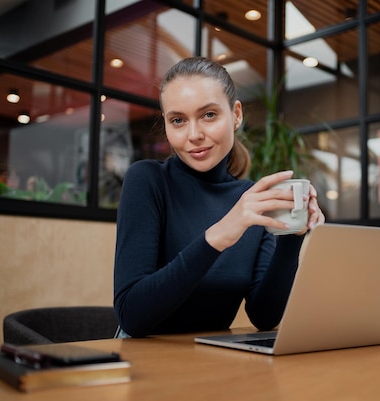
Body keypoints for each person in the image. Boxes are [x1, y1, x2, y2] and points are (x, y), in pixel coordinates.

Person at [113, 56, 325, 338]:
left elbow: (265, 315)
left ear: (236, 115)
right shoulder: (148, 180)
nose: (194, 135)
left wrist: (292, 234)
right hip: (147, 363)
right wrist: (217, 237)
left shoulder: (251, 200)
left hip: (215, 363)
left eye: (209, 115)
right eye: (178, 120)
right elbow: (132, 316)